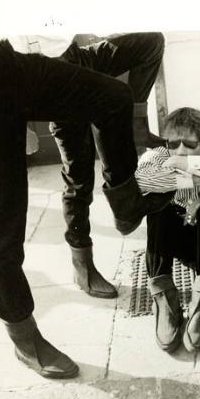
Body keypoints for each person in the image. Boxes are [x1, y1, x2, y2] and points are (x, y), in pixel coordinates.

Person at [0, 36, 170, 378]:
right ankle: (24, 338)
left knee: (114, 96)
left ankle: (125, 203)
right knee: (0, 228)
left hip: (6, 58)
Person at [38, 33, 165, 299]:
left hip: (77, 57)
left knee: (150, 42)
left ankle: (136, 123)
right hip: (49, 76)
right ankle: (82, 266)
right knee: (78, 179)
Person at [135, 107, 200, 353]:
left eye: (189, 144)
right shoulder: (157, 153)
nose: (180, 150)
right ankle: (165, 299)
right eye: (173, 143)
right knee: (158, 208)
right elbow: (142, 180)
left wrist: (178, 167)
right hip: (176, 241)